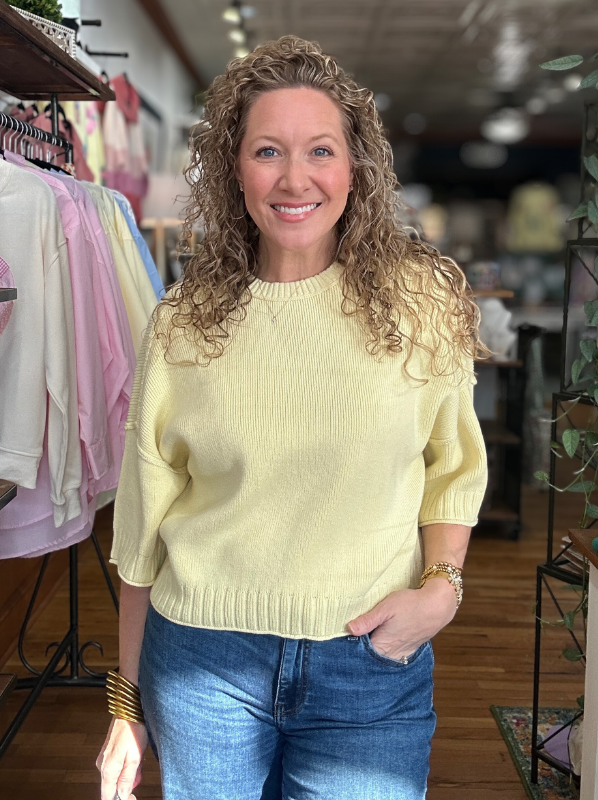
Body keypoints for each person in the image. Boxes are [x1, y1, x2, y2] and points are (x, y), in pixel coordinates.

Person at [97, 35, 488, 800]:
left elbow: (453, 468)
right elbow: (141, 531)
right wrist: (125, 704)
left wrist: (442, 588)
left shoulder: (423, 305)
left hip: (370, 664)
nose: (294, 177)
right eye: (267, 151)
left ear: (355, 169)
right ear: (234, 172)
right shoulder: (183, 322)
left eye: (320, 151)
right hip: (203, 664)